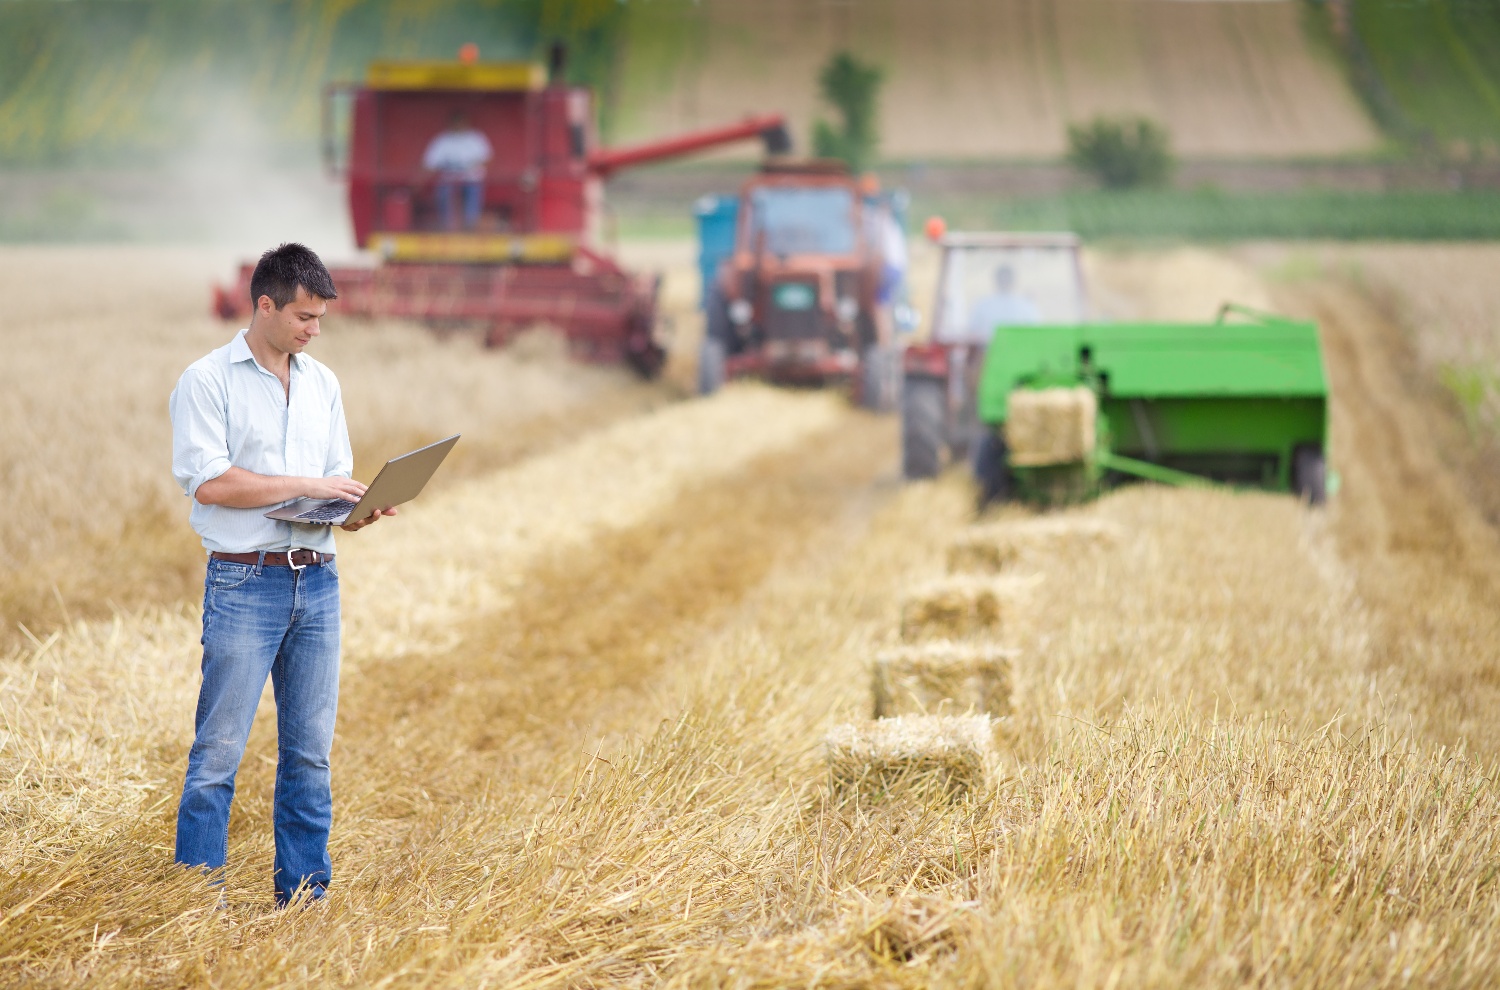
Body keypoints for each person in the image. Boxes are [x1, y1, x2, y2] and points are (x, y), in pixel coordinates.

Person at [169, 243, 396, 907]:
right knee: (217, 754)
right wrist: (310, 483)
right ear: (263, 304)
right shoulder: (207, 380)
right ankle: (193, 902)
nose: (313, 329)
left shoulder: (323, 385)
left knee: (309, 755)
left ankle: (304, 895)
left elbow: (326, 496)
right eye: (302, 315)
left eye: (320, 317)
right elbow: (211, 484)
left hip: (318, 581)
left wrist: (358, 511)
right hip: (245, 584)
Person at [422, 112, 493, 230]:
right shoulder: (443, 140)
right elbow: (430, 164)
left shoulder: (475, 138)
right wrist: (420, 179)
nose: (458, 125)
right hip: (449, 180)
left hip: (471, 179)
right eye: (456, 122)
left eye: (461, 122)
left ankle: (470, 224)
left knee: (473, 190)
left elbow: (487, 159)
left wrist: (471, 166)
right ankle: (446, 225)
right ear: (450, 124)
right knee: (443, 191)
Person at [967, 264, 1041, 340]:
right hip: (988, 349)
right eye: (1002, 278)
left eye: (1007, 278)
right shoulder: (983, 304)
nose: (1004, 281)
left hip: (1019, 349)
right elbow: (973, 332)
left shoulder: (1025, 305)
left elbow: (1035, 332)